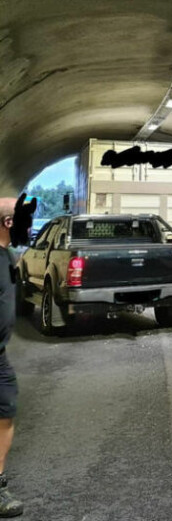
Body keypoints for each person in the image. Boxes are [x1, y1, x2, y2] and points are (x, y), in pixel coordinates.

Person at [0, 195, 34, 518]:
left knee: (5, 413)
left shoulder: (7, 255)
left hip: (0, 356)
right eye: (24, 219)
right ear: (9, 223)